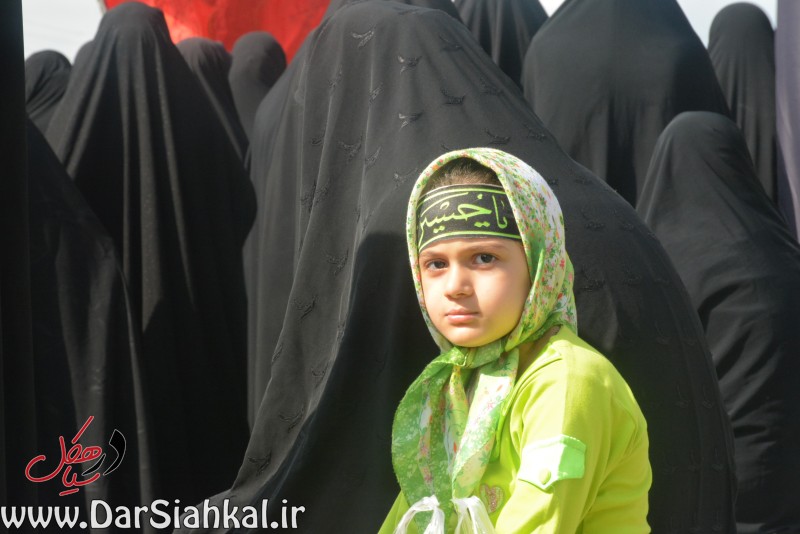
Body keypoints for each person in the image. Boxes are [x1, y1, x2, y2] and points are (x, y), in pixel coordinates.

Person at [380, 148, 651, 533]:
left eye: (484, 258)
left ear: (540, 264)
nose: (455, 286)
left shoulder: (567, 383)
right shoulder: (458, 385)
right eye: (436, 264)